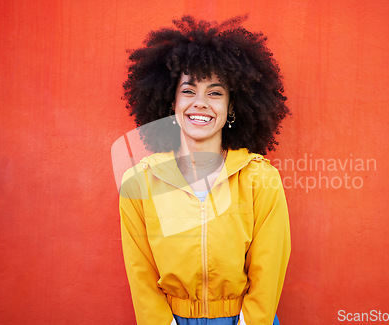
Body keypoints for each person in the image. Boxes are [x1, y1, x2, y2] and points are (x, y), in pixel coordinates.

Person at [119, 15, 291, 325]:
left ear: (231, 107)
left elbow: (270, 267)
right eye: (188, 91)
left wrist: (249, 322)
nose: (200, 103)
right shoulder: (138, 183)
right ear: (171, 103)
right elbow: (139, 269)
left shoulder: (261, 179)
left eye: (214, 93)